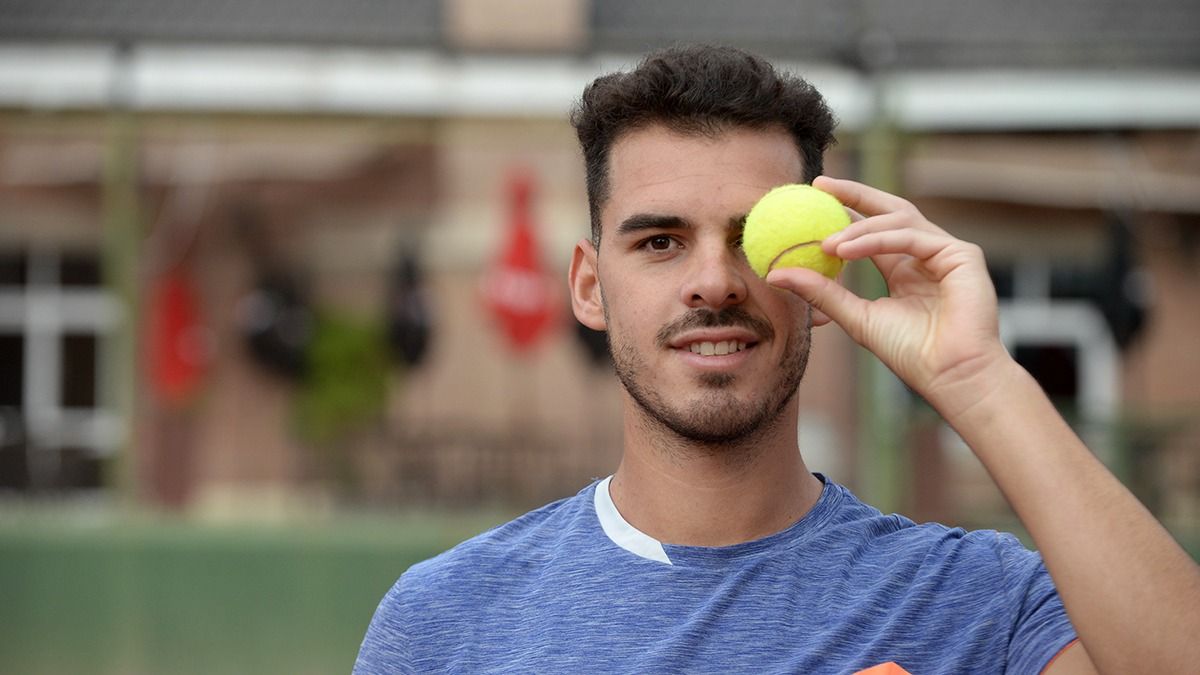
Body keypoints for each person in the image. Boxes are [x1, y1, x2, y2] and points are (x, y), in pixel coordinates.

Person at [354, 45, 1200, 674]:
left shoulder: (972, 606)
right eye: (660, 241)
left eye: (751, 240)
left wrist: (980, 380)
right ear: (588, 285)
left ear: (822, 272)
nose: (715, 283)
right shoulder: (447, 623)